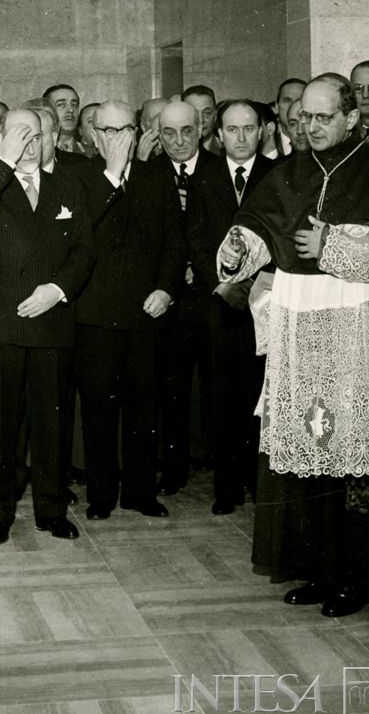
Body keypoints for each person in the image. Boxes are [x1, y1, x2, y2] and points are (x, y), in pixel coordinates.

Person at [219, 75, 369, 618]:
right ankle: (319, 568)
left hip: (361, 336)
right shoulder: (286, 173)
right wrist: (236, 250)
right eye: (303, 119)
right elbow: (258, 227)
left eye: (322, 117)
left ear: (351, 117)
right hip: (303, 335)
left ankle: (356, 576)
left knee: (355, 459)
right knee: (312, 453)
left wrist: (332, 245)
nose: (310, 127)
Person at [0, 109, 95, 545]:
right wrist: (3, 162)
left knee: (51, 425)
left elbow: (84, 252)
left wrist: (57, 289)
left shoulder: (66, 186)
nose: (29, 146)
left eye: (34, 137)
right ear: (1, 139)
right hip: (0, 324)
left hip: (51, 320)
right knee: (0, 425)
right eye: (19, 137)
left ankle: (51, 512)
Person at [74, 100, 185, 521]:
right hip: (96, 314)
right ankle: (101, 494)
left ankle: (140, 491)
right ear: (94, 136)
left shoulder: (155, 178)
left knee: (144, 407)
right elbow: (82, 234)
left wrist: (166, 289)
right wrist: (110, 176)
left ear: (135, 134)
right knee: (99, 409)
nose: (115, 139)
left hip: (145, 312)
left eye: (123, 131)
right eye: (106, 131)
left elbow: (175, 243)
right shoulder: (79, 178)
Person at [186, 100, 272, 514]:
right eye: (232, 129)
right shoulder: (203, 178)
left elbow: (283, 240)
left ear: (262, 132)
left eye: (248, 128)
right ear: (217, 135)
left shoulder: (278, 177)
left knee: (260, 395)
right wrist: (222, 285)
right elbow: (195, 239)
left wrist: (252, 285)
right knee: (220, 397)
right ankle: (227, 488)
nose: (240, 137)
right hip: (217, 304)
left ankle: (260, 483)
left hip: (264, 304)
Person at [150, 101, 217, 493]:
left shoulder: (217, 171)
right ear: (159, 135)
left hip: (210, 298)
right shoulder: (150, 174)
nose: (178, 141)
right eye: (169, 133)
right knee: (171, 390)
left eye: (186, 131)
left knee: (216, 388)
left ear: (201, 130)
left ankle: (221, 469)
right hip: (169, 301)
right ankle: (173, 470)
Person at [43, 83, 81, 151]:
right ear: (46, 110)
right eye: (61, 105)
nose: (71, 110)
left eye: (74, 105)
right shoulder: (36, 150)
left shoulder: (91, 154)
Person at [182, 84, 218, 154]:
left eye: (207, 113)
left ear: (215, 116)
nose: (201, 120)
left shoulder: (228, 151)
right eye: (194, 113)